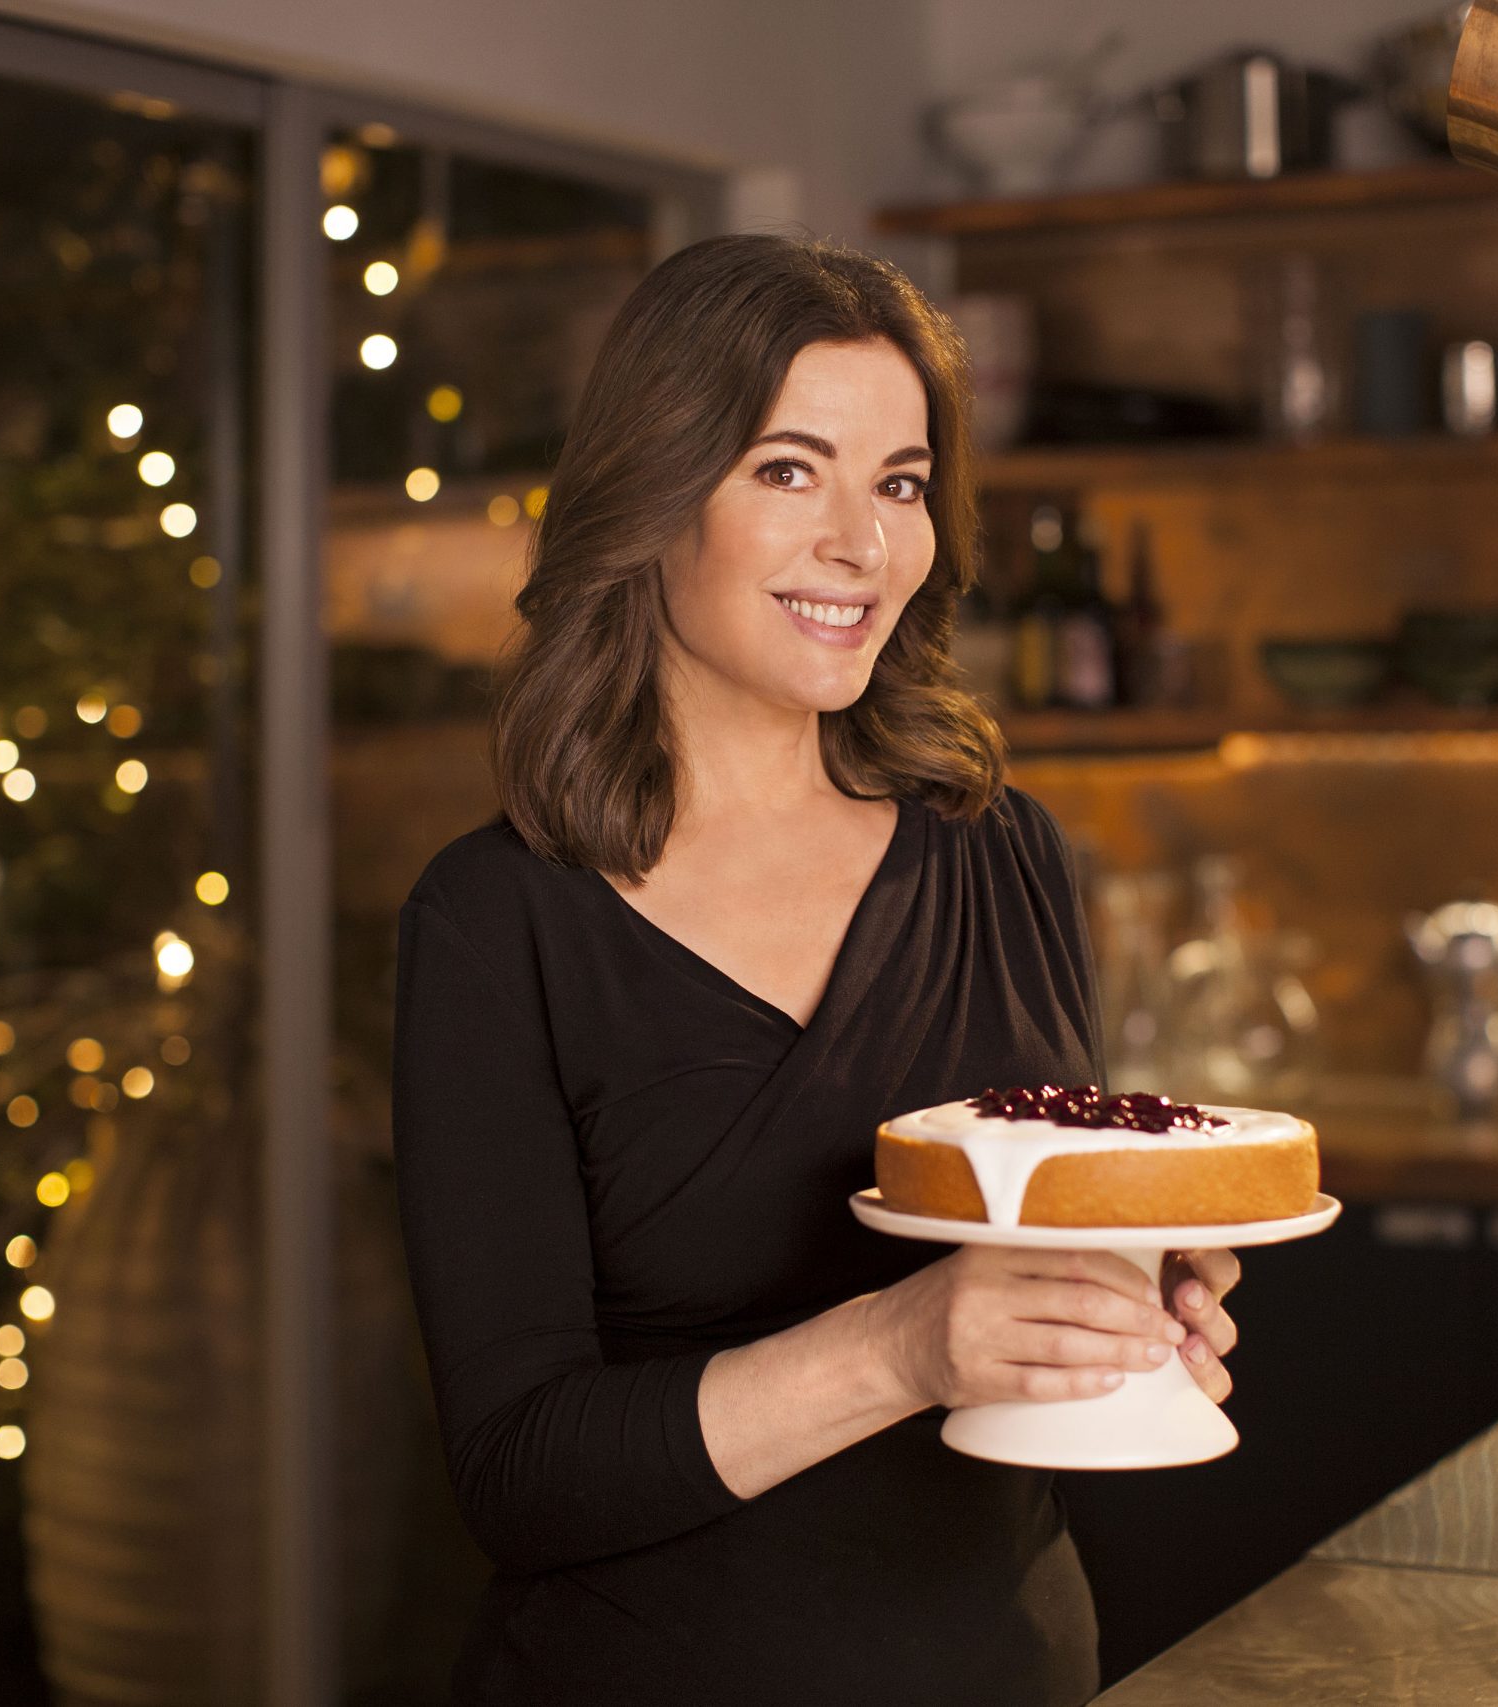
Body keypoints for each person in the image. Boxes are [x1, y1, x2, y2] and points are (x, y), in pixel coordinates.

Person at [388, 233, 1246, 1707]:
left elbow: (1038, 1222)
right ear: (654, 498)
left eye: (900, 482)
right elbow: (520, 1474)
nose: (866, 544)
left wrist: (1130, 1312)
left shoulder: (1000, 851)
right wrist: (905, 1344)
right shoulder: (497, 920)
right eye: (790, 471)